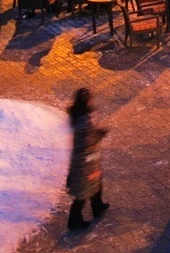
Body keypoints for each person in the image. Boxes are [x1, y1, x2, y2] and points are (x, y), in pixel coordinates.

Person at [65, 88, 109, 232]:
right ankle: (74, 221)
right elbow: (86, 141)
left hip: (88, 161)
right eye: (90, 99)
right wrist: (99, 134)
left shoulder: (81, 116)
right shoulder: (82, 120)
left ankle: (98, 206)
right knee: (82, 193)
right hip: (85, 163)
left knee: (96, 182)